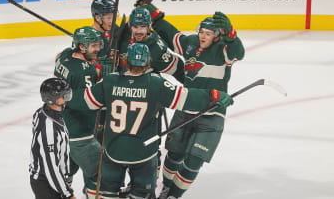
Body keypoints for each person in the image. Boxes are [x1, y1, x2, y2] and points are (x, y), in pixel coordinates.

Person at [66, 43, 234, 199]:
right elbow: (186, 98)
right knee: (141, 194)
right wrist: (214, 96)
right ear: (148, 62)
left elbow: (85, 101)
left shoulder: (110, 81)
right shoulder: (156, 84)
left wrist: (62, 96)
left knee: (107, 193)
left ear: (126, 62)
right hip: (144, 153)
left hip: (113, 151)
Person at [136, 0, 245, 198]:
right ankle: (166, 188)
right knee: (174, 155)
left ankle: (173, 195)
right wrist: (156, 16)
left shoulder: (224, 50)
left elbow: (239, 52)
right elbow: (172, 35)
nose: (203, 36)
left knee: (194, 161)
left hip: (212, 115)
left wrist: (231, 35)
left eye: (209, 33)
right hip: (185, 110)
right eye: (202, 31)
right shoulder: (191, 43)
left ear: (217, 36)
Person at [54, 26, 103, 198]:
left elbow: (58, 58)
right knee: (101, 174)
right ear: (81, 47)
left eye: (98, 44)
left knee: (66, 172)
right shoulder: (85, 72)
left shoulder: (65, 55)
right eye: (94, 46)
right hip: (80, 134)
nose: (98, 49)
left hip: (62, 127)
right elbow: (91, 101)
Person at [29, 77, 76, 199]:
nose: (66, 99)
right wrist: (67, 194)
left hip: (52, 181)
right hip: (47, 184)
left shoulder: (44, 112)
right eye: (63, 96)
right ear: (53, 99)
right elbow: (50, 167)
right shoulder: (49, 129)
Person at [118, 7, 185, 83]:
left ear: (149, 27)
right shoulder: (126, 32)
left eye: (143, 27)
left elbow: (178, 70)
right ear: (130, 26)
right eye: (135, 27)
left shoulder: (156, 49)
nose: (138, 31)